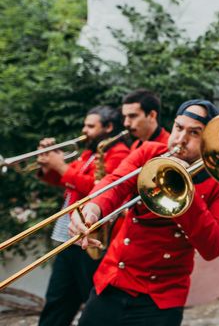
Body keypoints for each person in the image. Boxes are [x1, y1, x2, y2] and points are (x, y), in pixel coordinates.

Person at [69, 99, 219, 326]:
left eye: (194, 132)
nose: (180, 139)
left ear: (209, 140)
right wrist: (91, 209)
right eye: (178, 128)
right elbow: (116, 183)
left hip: (162, 298)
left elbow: (214, 246)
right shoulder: (149, 152)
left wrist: (185, 187)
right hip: (114, 280)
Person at [36, 106, 130, 326]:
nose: (84, 130)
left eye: (90, 126)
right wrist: (48, 161)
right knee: (56, 302)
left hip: (92, 239)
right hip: (70, 238)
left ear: (108, 128)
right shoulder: (88, 154)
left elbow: (102, 191)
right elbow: (65, 180)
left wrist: (61, 167)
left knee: (94, 302)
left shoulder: (118, 154)